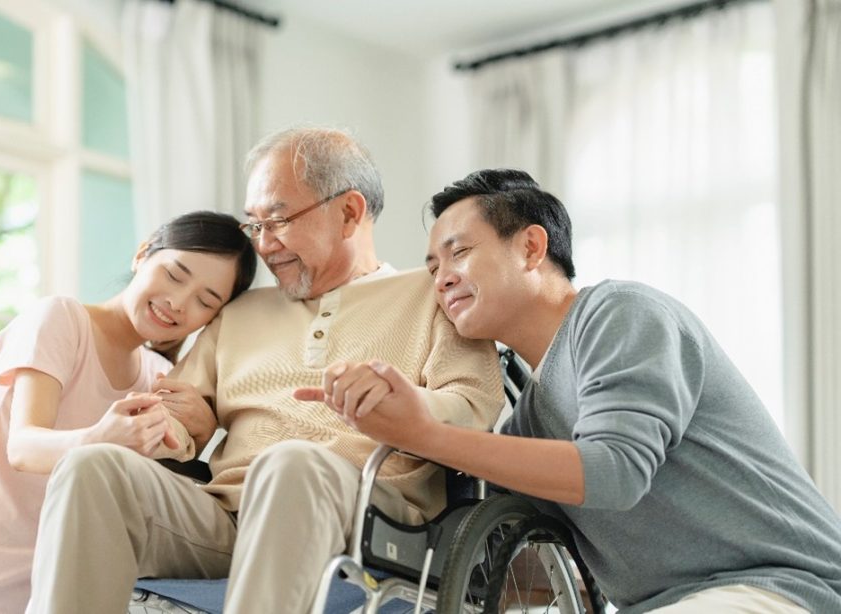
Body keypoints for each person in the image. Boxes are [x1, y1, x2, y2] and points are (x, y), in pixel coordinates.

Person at [301, 168, 841, 613]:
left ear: (532, 247)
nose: (440, 279)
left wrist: (425, 433)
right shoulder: (528, 425)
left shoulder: (621, 315)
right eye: (432, 267)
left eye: (458, 252)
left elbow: (613, 473)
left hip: (783, 587)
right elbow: (531, 567)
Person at [24, 127, 504, 614]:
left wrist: (408, 403)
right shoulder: (238, 314)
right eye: (255, 225)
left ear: (349, 213)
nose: (264, 244)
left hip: (366, 515)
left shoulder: (434, 293)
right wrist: (165, 425)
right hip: (226, 515)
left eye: (277, 220)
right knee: (93, 467)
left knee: (290, 462)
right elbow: (177, 411)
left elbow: (473, 408)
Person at [0, 211, 257, 614]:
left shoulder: (160, 377)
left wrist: (203, 431)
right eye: (175, 275)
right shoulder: (60, 320)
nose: (178, 302)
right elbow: (22, 447)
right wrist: (100, 438)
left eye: (205, 301)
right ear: (142, 254)